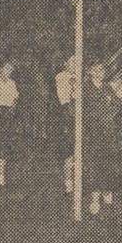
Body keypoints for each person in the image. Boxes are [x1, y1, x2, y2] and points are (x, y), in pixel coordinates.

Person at [83, 63, 122, 214]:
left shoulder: (107, 87)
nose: (101, 72)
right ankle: (94, 199)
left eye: (102, 69)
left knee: (109, 162)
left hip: (108, 131)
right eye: (97, 69)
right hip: (93, 132)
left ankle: (107, 192)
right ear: (91, 72)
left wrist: (110, 111)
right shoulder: (86, 88)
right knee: (94, 164)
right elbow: (82, 110)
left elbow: (119, 103)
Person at [55, 57, 76, 194]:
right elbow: (66, 95)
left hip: (78, 113)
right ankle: (68, 184)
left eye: (76, 62)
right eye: (72, 62)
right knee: (69, 150)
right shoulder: (61, 76)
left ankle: (78, 180)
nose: (74, 65)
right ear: (65, 64)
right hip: (67, 113)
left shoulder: (78, 77)